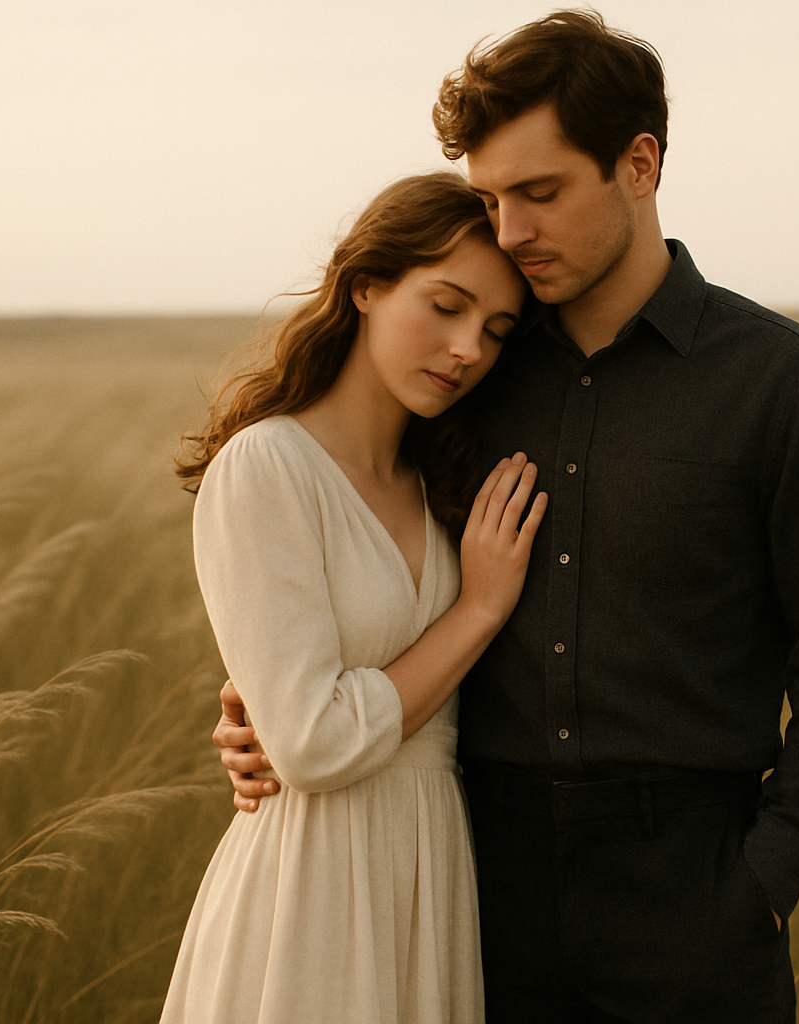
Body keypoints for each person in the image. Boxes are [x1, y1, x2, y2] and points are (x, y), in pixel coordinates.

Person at [216, 12, 799, 1022]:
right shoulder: (467, 375)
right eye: (491, 199)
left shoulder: (785, 385)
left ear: (639, 162)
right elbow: (349, 550)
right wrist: (261, 701)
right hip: (477, 881)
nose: (511, 231)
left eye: (540, 193)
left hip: (694, 888)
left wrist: (762, 883)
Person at [163, 172, 542, 1024]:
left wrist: (265, 706)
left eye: (495, 330)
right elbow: (313, 746)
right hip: (310, 887)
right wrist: (476, 610)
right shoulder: (267, 468)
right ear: (366, 284)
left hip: (431, 874)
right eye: (445, 306)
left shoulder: (444, 485)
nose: (466, 350)